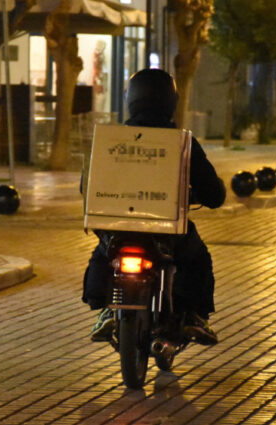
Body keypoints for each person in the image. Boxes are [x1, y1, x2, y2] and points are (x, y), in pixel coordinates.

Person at [82, 69, 226, 345]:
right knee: (196, 257)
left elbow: (86, 187)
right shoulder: (182, 142)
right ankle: (194, 315)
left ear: (130, 99)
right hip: (166, 231)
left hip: (118, 227)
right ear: (170, 101)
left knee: (103, 251)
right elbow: (212, 194)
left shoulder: (110, 141)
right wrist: (211, 193)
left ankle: (105, 309)